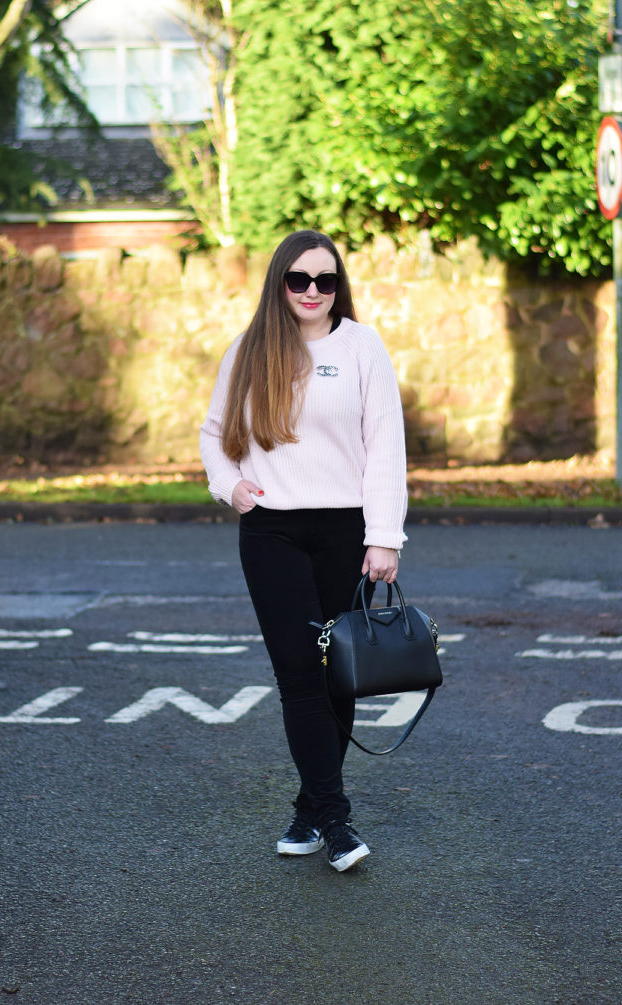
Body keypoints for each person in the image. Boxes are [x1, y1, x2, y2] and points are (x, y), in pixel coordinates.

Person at [199, 229, 408, 872]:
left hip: (345, 532)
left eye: (326, 280)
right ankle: (336, 818)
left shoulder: (362, 346)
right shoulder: (249, 350)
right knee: (299, 675)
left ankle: (307, 806)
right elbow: (214, 435)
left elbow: (386, 447)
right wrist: (229, 486)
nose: (313, 291)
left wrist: (384, 537)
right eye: (300, 279)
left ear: (338, 286)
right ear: (279, 283)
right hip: (272, 532)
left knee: (337, 677)